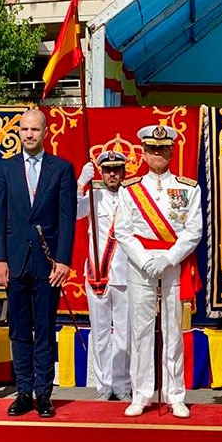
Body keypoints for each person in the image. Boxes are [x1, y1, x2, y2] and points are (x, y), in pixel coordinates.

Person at [0, 109, 76, 418]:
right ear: (18, 132)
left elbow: (67, 218)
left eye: (35, 130)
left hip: (47, 262)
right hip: (14, 262)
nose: (29, 134)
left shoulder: (61, 169)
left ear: (45, 133)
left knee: (44, 328)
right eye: (24, 129)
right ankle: (23, 391)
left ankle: (44, 393)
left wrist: (64, 261)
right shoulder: (5, 169)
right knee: (18, 329)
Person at [115, 124, 202, 419]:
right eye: (152, 149)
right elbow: (123, 231)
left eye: (162, 149)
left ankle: (175, 394)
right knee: (140, 332)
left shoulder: (189, 187)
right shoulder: (131, 189)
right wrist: (144, 259)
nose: (157, 154)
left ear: (171, 151)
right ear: (143, 152)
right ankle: (141, 394)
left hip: (173, 264)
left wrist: (168, 258)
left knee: (174, 331)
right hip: (140, 266)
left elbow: (194, 231)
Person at [76, 150, 131, 402]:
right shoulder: (93, 196)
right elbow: (74, 213)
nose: (112, 174)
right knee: (99, 332)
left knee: (124, 332)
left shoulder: (133, 196)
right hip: (97, 273)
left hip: (126, 273)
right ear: (100, 172)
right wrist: (79, 184)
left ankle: (122, 384)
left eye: (117, 169)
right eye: (107, 170)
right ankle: (104, 385)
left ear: (123, 172)